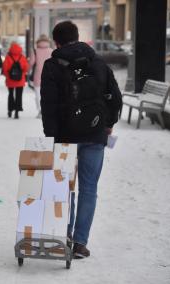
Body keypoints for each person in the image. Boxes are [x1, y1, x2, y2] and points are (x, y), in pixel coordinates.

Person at [40, 21, 122, 258]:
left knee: (66, 188)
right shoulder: (98, 62)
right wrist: (108, 125)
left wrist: (51, 138)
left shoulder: (52, 66)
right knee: (89, 189)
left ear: (57, 42)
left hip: (65, 137)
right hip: (95, 136)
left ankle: (64, 235)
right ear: (78, 37)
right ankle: (80, 243)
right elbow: (114, 98)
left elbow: (49, 106)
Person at [29, 35, 53, 118]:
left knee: (38, 94)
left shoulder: (35, 51)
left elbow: (31, 63)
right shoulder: (51, 51)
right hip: (50, 75)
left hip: (38, 75)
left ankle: (40, 111)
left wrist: (27, 70)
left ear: (38, 42)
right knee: (48, 94)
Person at [2, 43, 29, 119]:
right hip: (20, 80)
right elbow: (26, 68)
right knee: (19, 95)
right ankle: (17, 111)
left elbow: (5, 69)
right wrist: (22, 75)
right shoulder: (22, 57)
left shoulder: (8, 57)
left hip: (10, 80)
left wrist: (8, 76)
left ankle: (10, 110)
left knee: (10, 95)